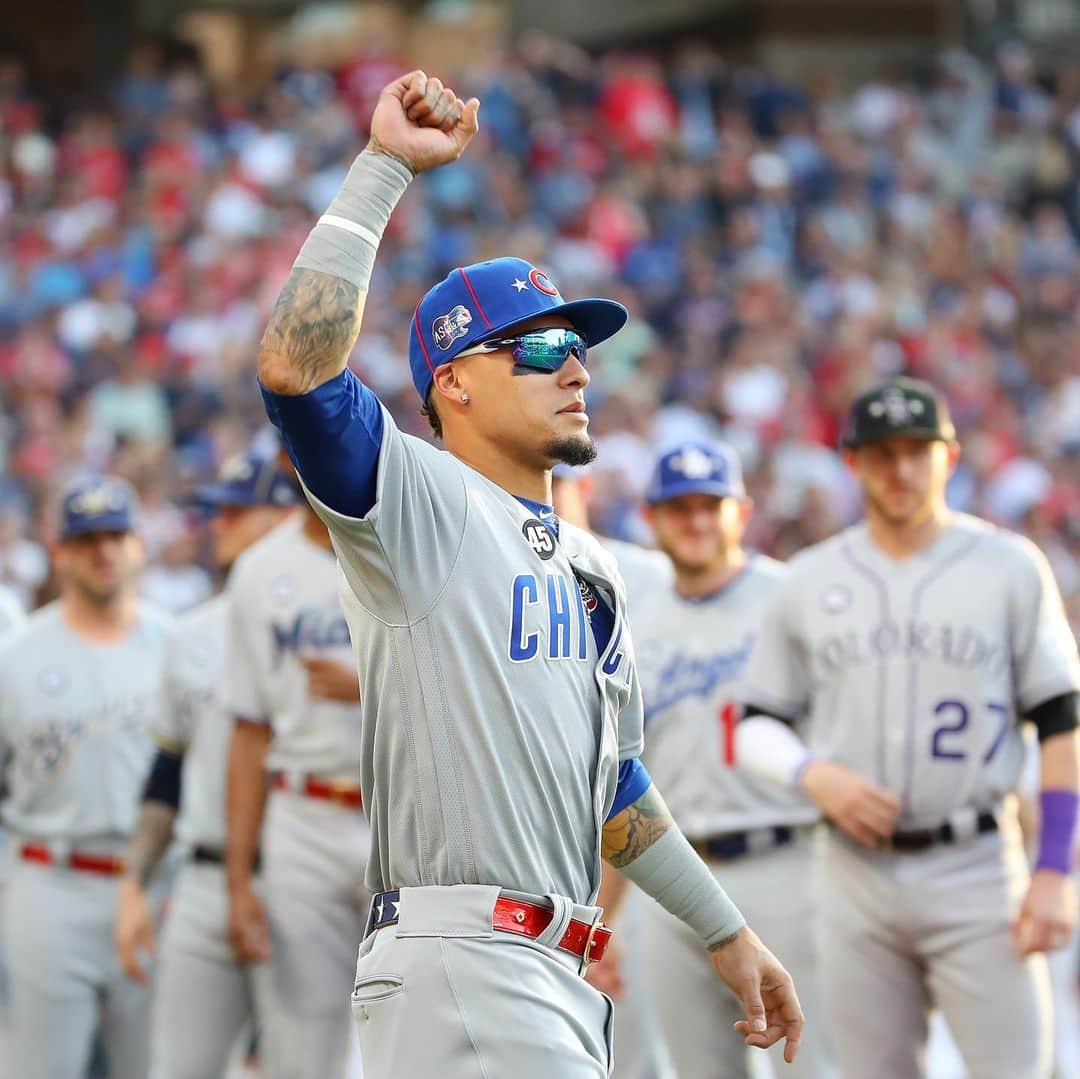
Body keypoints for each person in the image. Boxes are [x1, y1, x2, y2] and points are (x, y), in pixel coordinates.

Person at [254, 68, 803, 1077]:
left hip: (553, 967)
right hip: (464, 953)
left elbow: (618, 794)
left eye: (579, 349)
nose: (577, 369)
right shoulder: (417, 504)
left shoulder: (593, 566)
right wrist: (382, 169)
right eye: (542, 347)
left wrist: (725, 930)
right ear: (452, 382)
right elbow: (298, 371)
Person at [736, 376, 1080, 1079]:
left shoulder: (1009, 565)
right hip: (853, 875)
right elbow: (752, 726)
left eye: (917, 451)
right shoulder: (808, 579)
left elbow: (1061, 720)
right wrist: (813, 774)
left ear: (948, 458)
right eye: (882, 452)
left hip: (979, 863)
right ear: (854, 462)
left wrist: (1055, 868)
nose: (900, 469)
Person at [594, 441, 836, 1079]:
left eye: (711, 506)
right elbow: (624, 777)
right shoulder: (633, 617)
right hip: (672, 879)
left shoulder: (789, 598)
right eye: (680, 509)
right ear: (652, 517)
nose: (697, 521)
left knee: (810, 1064)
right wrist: (608, 914)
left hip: (783, 862)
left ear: (743, 511)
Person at [113, 450, 297, 1078]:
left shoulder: (342, 618)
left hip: (303, 878)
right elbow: (167, 773)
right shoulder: (189, 634)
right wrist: (136, 880)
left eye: (236, 512)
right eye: (216, 513)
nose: (218, 525)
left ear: (283, 518)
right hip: (203, 878)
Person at [0, 476, 173, 1079]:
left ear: (138, 545)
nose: (102, 550)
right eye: (86, 538)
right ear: (60, 552)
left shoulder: (174, 647)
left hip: (155, 885)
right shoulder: (17, 658)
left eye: (114, 535)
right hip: (51, 880)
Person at [224, 495, 369, 1079]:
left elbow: (467, 688)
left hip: (403, 808)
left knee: (416, 1021)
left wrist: (368, 686)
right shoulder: (260, 570)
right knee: (301, 1037)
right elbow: (249, 732)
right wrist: (239, 879)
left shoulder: (413, 541)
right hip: (301, 806)